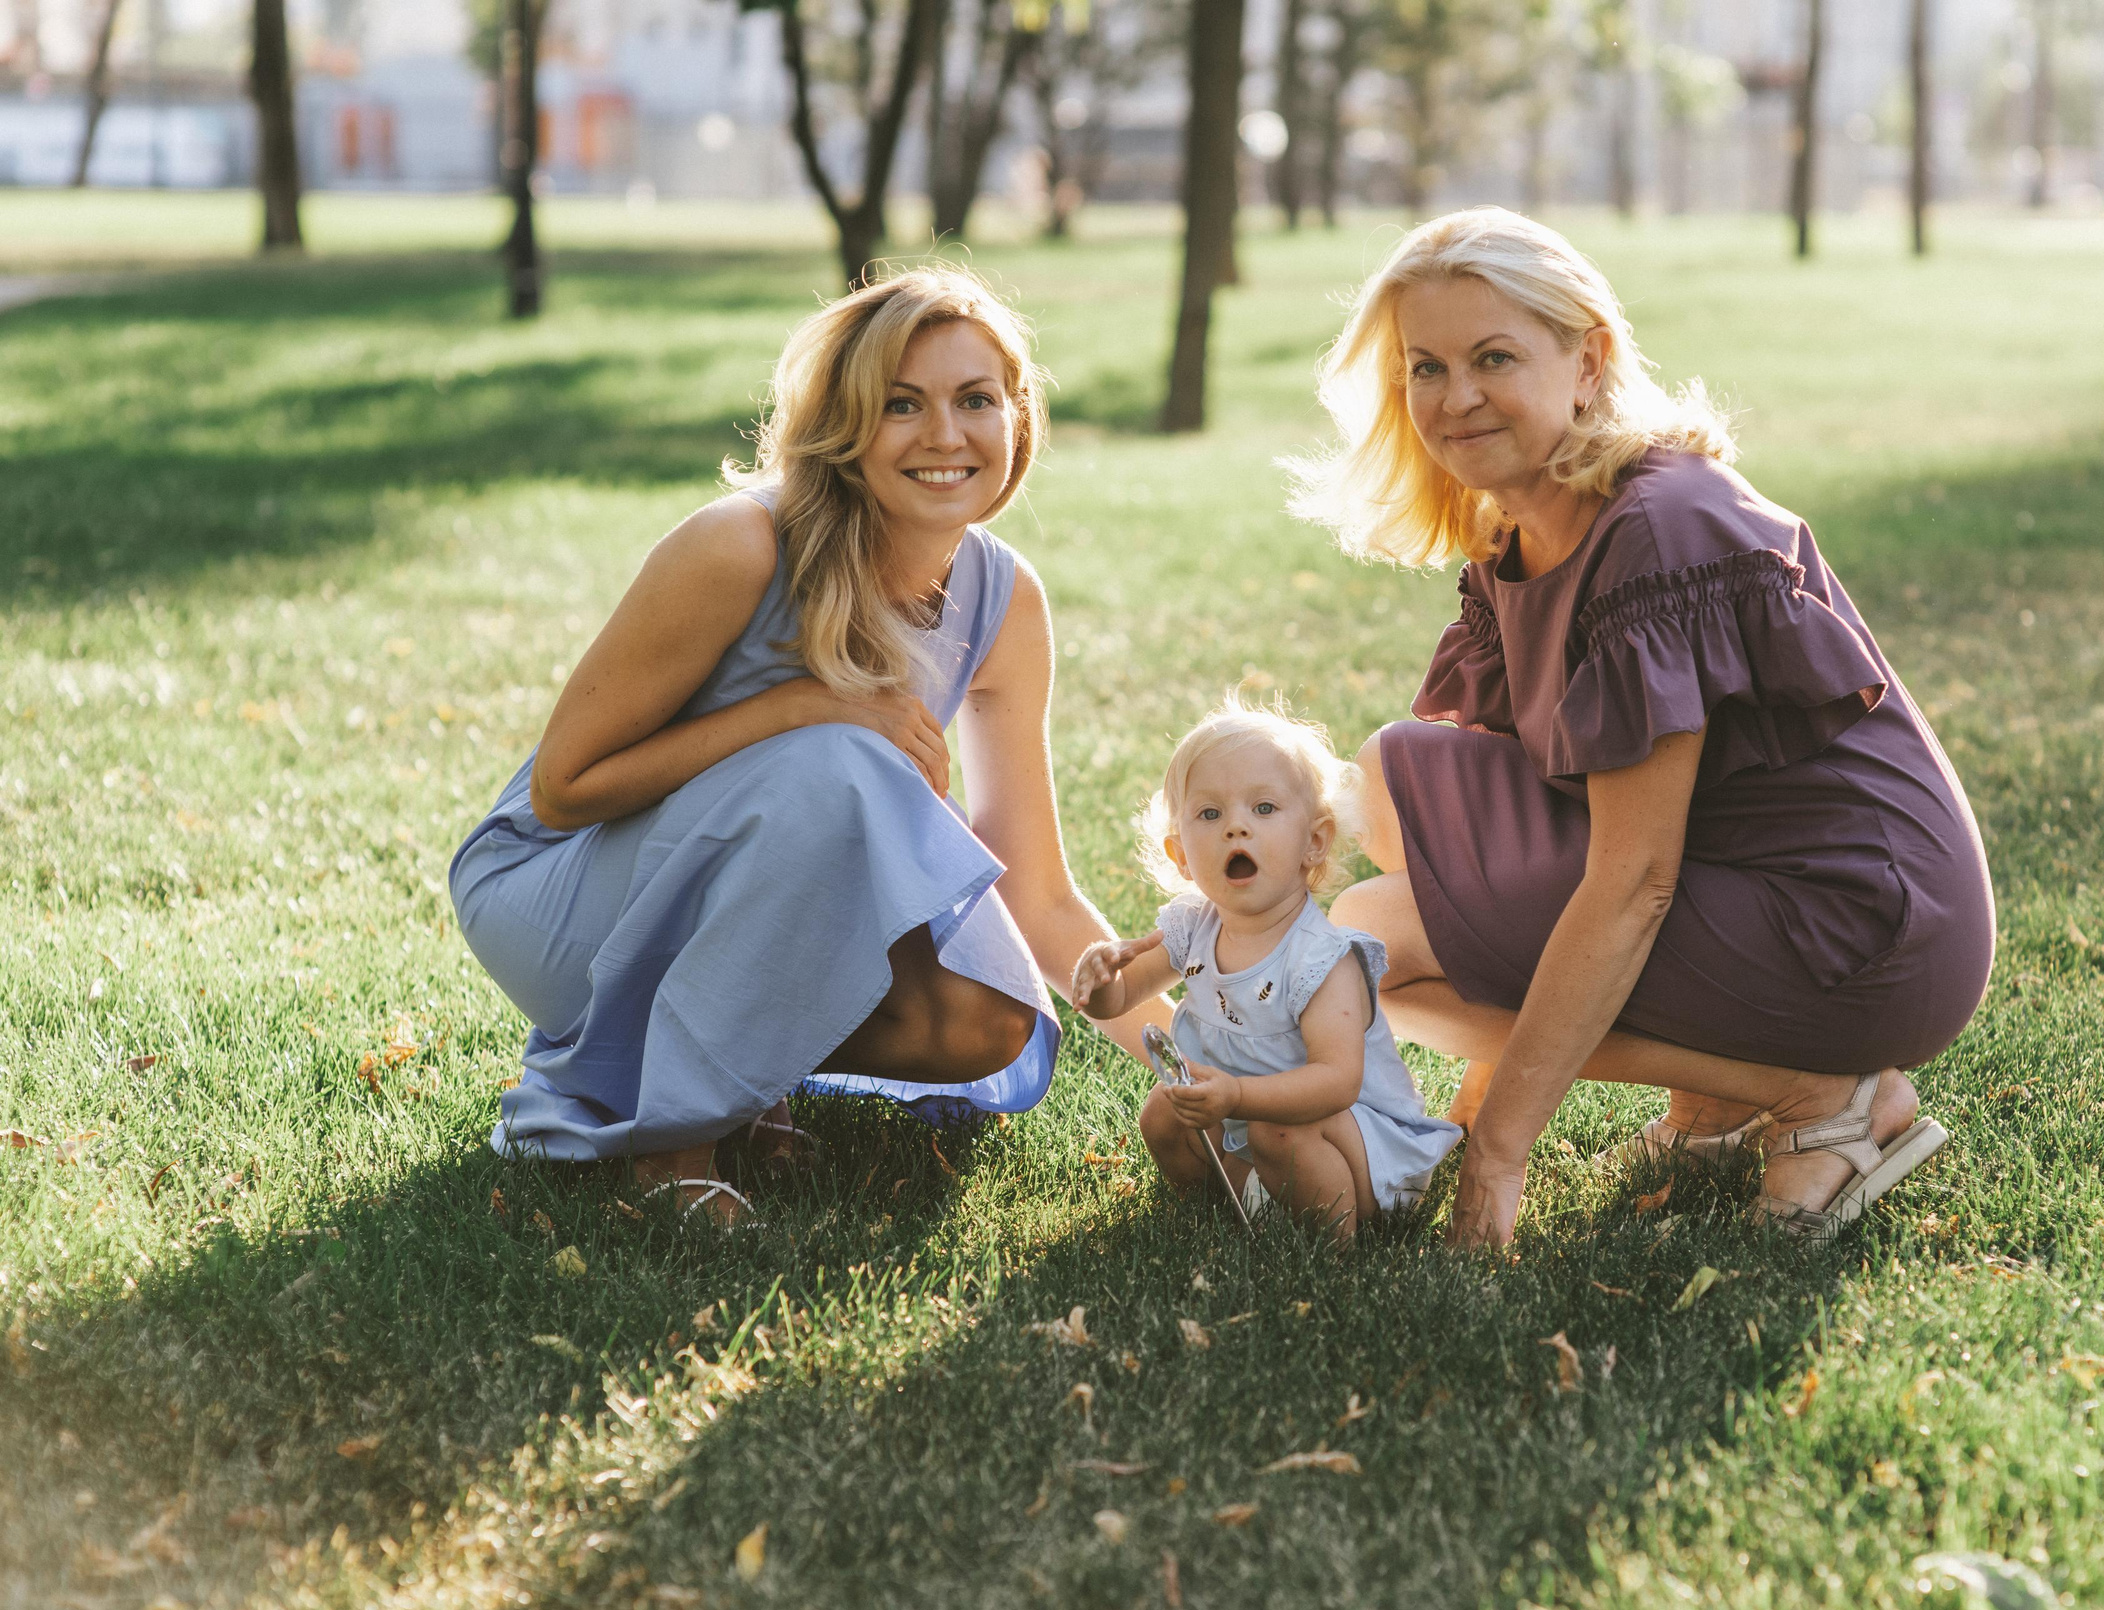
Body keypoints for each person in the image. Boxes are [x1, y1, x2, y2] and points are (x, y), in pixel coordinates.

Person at [1290, 209, 1997, 1248]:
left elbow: (1631, 883)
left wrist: (1498, 1152)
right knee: (1397, 779)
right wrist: (1479, 1103)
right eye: (1424, 368)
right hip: (1751, 882)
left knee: (1376, 940)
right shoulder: (1518, 530)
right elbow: (1536, 825)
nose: (1455, 398)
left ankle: (1820, 1099)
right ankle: (1722, 1098)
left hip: (1858, 931)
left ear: (1589, 361)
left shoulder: (1659, 532)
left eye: (1494, 357)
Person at [448, 267, 1162, 1222]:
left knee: (984, 1018)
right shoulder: (741, 546)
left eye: (975, 400)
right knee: (839, 763)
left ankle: (736, 1070)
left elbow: (1035, 891)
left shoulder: (1005, 599)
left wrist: (1204, 1061)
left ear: (1018, 419)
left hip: (726, 881)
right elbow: (564, 789)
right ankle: (670, 1145)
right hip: (554, 888)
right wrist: (799, 706)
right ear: (848, 425)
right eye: (901, 404)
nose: (946, 435)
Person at [1071, 702, 1461, 1242]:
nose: (1236, 827)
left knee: (1277, 1132)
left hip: (1358, 1145)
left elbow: (1336, 1082)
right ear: (1181, 854)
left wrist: (1236, 1096)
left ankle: (1330, 1243)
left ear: (1314, 842)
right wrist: (1099, 981)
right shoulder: (1192, 929)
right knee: (1162, 1113)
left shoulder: (1322, 959)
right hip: (1247, 1119)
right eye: (1210, 815)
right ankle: (1233, 1208)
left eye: (1264, 808)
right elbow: (1122, 998)